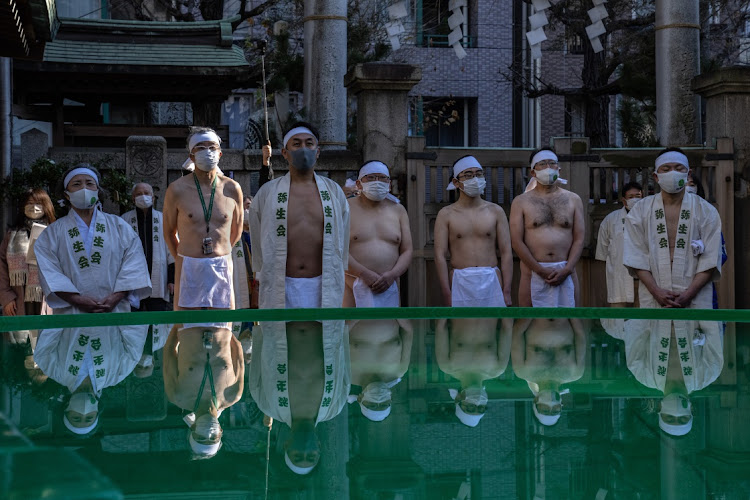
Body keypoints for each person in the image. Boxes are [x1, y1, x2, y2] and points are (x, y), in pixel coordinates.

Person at [248, 122, 350, 474]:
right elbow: (258, 241)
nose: (304, 148)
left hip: (325, 285)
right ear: (284, 152)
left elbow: (343, 242)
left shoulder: (334, 192)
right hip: (282, 286)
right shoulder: (268, 194)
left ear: (318, 151)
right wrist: (263, 275)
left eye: (310, 142)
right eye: (296, 143)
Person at [34, 164, 152, 314]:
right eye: (76, 184)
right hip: (72, 312)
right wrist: (76, 300)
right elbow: (49, 271)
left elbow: (134, 264)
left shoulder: (120, 226)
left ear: (97, 191)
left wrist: (116, 297)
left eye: (90, 183)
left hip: (114, 310)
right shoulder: (52, 233)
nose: (84, 188)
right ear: (66, 194)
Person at [624, 148, 722, 309]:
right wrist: (656, 291)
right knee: (654, 332)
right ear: (656, 176)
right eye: (666, 169)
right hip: (654, 293)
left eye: (679, 168)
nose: (673, 173)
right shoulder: (641, 211)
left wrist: (689, 293)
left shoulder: (705, 210)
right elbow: (636, 255)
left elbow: (710, 258)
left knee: (694, 332)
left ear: (688, 174)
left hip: (695, 295)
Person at [249, 323, 350, 474]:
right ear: (319, 447)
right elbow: (344, 359)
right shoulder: (334, 406)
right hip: (323, 316)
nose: (305, 451)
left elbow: (257, 355)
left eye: (298, 456)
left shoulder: (267, 405)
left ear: (286, 445)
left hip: (281, 317)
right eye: (311, 457)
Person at [163, 127, 244, 310]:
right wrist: (182, 258)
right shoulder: (176, 189)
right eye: (200, 147)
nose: (207, 151)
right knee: (187, 327)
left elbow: (236, 230)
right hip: (188, 263)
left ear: (220, 153)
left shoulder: (232, 188)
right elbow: (169, 232)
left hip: (221, 263)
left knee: (222, 328)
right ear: (191, 155)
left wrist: (219, 251)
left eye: (212, 147)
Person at [601, 318, 723, 436]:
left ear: (659, 408)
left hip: (655, 307)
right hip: (690, 308)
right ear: (692, 411)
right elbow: (712, 327)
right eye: (683, 419)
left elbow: (635, 329)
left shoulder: (643, 375)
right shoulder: (708, 374)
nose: (676, 414)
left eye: (669, 418)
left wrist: (656, 304)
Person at [34, 324, 149, 436]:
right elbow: (135, 335)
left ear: (66, 408)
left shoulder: (52, 369)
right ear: (97, 411)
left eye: (76, 418)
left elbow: (50, 327)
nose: (84, 413)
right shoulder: (117, 374)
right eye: (89, 418)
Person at [433, 155, 513, 307]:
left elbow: (506, 252)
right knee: (461, 329)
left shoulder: (496, 211)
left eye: (479, 174)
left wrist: (507, 290)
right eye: (468, 175)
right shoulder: (446, 214)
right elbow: (440, 255)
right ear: (456, 182)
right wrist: (446, 292)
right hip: (460, 278)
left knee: (493, 327)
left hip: (491, 276)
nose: (475, 179)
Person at [510, 148, 584, 307]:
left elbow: (579, 238)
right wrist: (539, 269)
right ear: (533, 172)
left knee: (574, 322)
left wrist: (568, 269)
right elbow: (516, 241)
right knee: (527, 322)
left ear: (559, 168)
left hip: (566, 269)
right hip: (532, 271)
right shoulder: (521, 202)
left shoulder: (573, 199)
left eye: (552, 163)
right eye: (542, 164)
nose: (548, 168)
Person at [163, 323, 245, 459]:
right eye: (213, 438)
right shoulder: (233, 395)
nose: (208, 433)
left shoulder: (178, 396)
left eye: (201, 438)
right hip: (222, 324)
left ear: (192, 429)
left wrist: (179, 326)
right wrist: (226, 332)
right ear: (221, 432)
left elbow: (169, 351)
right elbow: (238, 353)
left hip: (188, 325)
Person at [344, 161, 413, 308]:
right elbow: (337, 249)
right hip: (352, 284)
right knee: (352, 329)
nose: (377, 182)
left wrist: (392, 275)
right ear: (359, 183)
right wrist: (363, 273)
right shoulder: (345, 207)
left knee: (388, 329)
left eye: (382, 178)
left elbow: (407, 250)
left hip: (389, 284)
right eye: (371, 178)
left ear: (389, 184)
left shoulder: (399, 210)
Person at [436, 317, 512, 427]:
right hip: (491, 306)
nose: (477, 403)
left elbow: (441, 327)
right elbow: (507, 328)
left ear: (458, 399)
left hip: (459, 306)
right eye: (481, 408)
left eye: (470, 407)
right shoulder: (497, 369)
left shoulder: (447, 366)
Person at [1, 188, 55, 338]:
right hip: (19, 297)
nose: (34, 207)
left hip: (46, 296)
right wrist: (6, 298)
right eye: (30, 203)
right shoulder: (12, 235)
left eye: (38, 203)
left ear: (47, 206)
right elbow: (2, 268)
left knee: (45, 340)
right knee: (21, 343)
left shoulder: (55, 233)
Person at [512, 317, 587, 426]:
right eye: (555, 410)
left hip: (535, 312)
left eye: (545, 410)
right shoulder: (575, 373)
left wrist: (531, 310)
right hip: (565, 312)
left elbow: (516, 334)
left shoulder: (523, 372)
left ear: (535, 403)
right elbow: (580, 335)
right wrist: (571, 310)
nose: (551, 405)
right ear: (561, 405)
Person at [121, 182, 175, 311]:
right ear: (133, 198)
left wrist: (172, 279)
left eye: (146, 193)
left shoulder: (163, 220)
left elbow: (171, 252)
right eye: (139, 194)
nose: (143, 196)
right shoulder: (124, 220)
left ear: (153, 197)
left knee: (156, 322)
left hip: (158, 277)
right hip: (133, 278)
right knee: (135, 323)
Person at [347, 318, 413, 421]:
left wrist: (354, 316)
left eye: (372, 405)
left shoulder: (347, 373)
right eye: (384, 404)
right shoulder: (399, 371)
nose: (378, 400)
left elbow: (336, 338)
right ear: (391, 399)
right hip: (391, 308)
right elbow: (408, 332)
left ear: (360, 398)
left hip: (354, 309)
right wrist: (400, 314)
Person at [595, 182, 643, 307]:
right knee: (618, 310)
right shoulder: (611, 220)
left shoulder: (650, 218)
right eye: (631, 197)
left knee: (642, 311)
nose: (635, 200)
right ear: (624, 200)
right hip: (619, 273)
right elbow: (602, 252)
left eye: (638, 196)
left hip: (644, 275)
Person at [686, 172, 727, 309]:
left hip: (701, 280)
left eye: (692, 185)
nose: (688, 188)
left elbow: (721, 253)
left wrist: (703, 254)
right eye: (684, 184)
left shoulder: (708, 213)